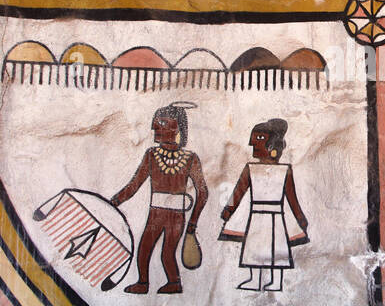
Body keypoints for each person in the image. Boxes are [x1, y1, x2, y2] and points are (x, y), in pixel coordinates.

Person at [109, 104, 208, 293]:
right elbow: (134, 185)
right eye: (156, 122)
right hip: (157, 213)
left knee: (167, 253)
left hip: (176, 216)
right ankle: (143, 282)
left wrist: (193, 223)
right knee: (145, 248)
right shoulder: (152, 155)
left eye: (162, 122)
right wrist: (115, 201)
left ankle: (174, 282)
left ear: (177, 128)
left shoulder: (189, 158)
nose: (155, 127)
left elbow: (202, 192)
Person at [219, 119, 309, 292]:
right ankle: (254, 279)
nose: (255, 145)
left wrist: (300, 217)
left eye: (260, 138)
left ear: (273, 145)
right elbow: (238, 192)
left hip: (276, 215)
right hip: (257, 214)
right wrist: (229, 209)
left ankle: (276, 281)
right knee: (254, 246)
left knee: (278, 249)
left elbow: (292, 198)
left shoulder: (285, 170)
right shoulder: (250, 169)